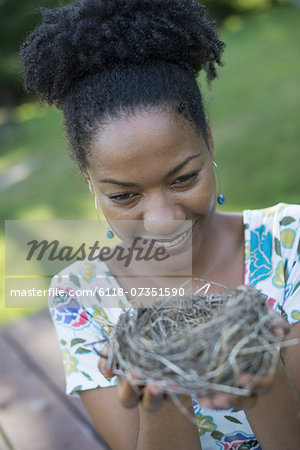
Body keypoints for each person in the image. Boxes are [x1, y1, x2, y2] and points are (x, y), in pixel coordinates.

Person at [20, 0, 300, 448]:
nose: (163, 221)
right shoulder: (81, 296)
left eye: (184, 179)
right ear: (89, 182)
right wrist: (161, 392)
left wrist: (256, 371)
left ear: (208, 140)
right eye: (124, 196)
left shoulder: (290, 243)